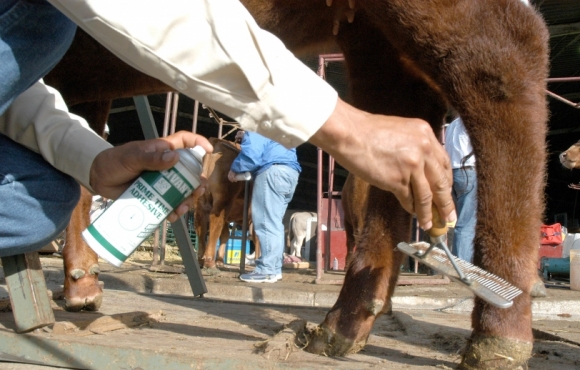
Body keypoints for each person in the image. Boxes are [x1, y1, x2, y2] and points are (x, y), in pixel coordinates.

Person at [0, 0, 455, 258]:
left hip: (271, 172)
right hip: (277, 170)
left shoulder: (254, 135)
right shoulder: (258, 133)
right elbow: (144, 9)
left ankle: (265, 264)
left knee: (42, 198)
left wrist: (92, 158)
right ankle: (264, 263)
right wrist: (343, 126)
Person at [228, 130, 300, 283]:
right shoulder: (280, 126)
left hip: (271, 172)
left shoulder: (258, 123)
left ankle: (266, 270)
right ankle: (274, 270)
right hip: (290, 174)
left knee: (265, 222)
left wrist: (235, 169)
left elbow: (252, 153)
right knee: (274, 223)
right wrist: (246, 136)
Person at [444, 117, 477, 263]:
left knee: (459, 222)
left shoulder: (452, 125)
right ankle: (462, 267)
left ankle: (457, 263)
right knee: (466, 224)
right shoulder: (470, 121)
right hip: (468, 171)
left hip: (452, 173)